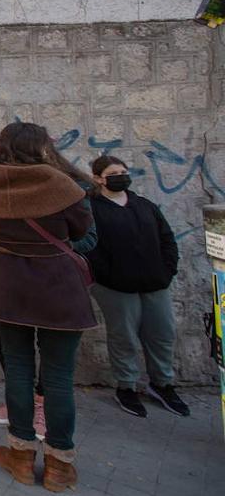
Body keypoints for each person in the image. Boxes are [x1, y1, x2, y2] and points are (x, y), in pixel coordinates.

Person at [0, 122, 95, 492]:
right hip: (58, 289)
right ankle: (59, 465)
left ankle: (22, 455)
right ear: (42, 146)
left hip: (8, 287)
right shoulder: (62, 185)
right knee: (58, 377)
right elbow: (83, 233)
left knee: (18, 370)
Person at [87, 155, 189, 418]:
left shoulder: (143, 205)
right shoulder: (92, 208)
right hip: (115, 287)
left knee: (162, 334)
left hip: (155, 283)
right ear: (99, 178)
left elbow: (166, 239)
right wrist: (108, 276)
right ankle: (126, 386)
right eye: (113, 172)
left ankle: (162, 384)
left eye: (123, 171)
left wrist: (167, 271)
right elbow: (89, 247)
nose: (120, 175)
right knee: (124, 338)